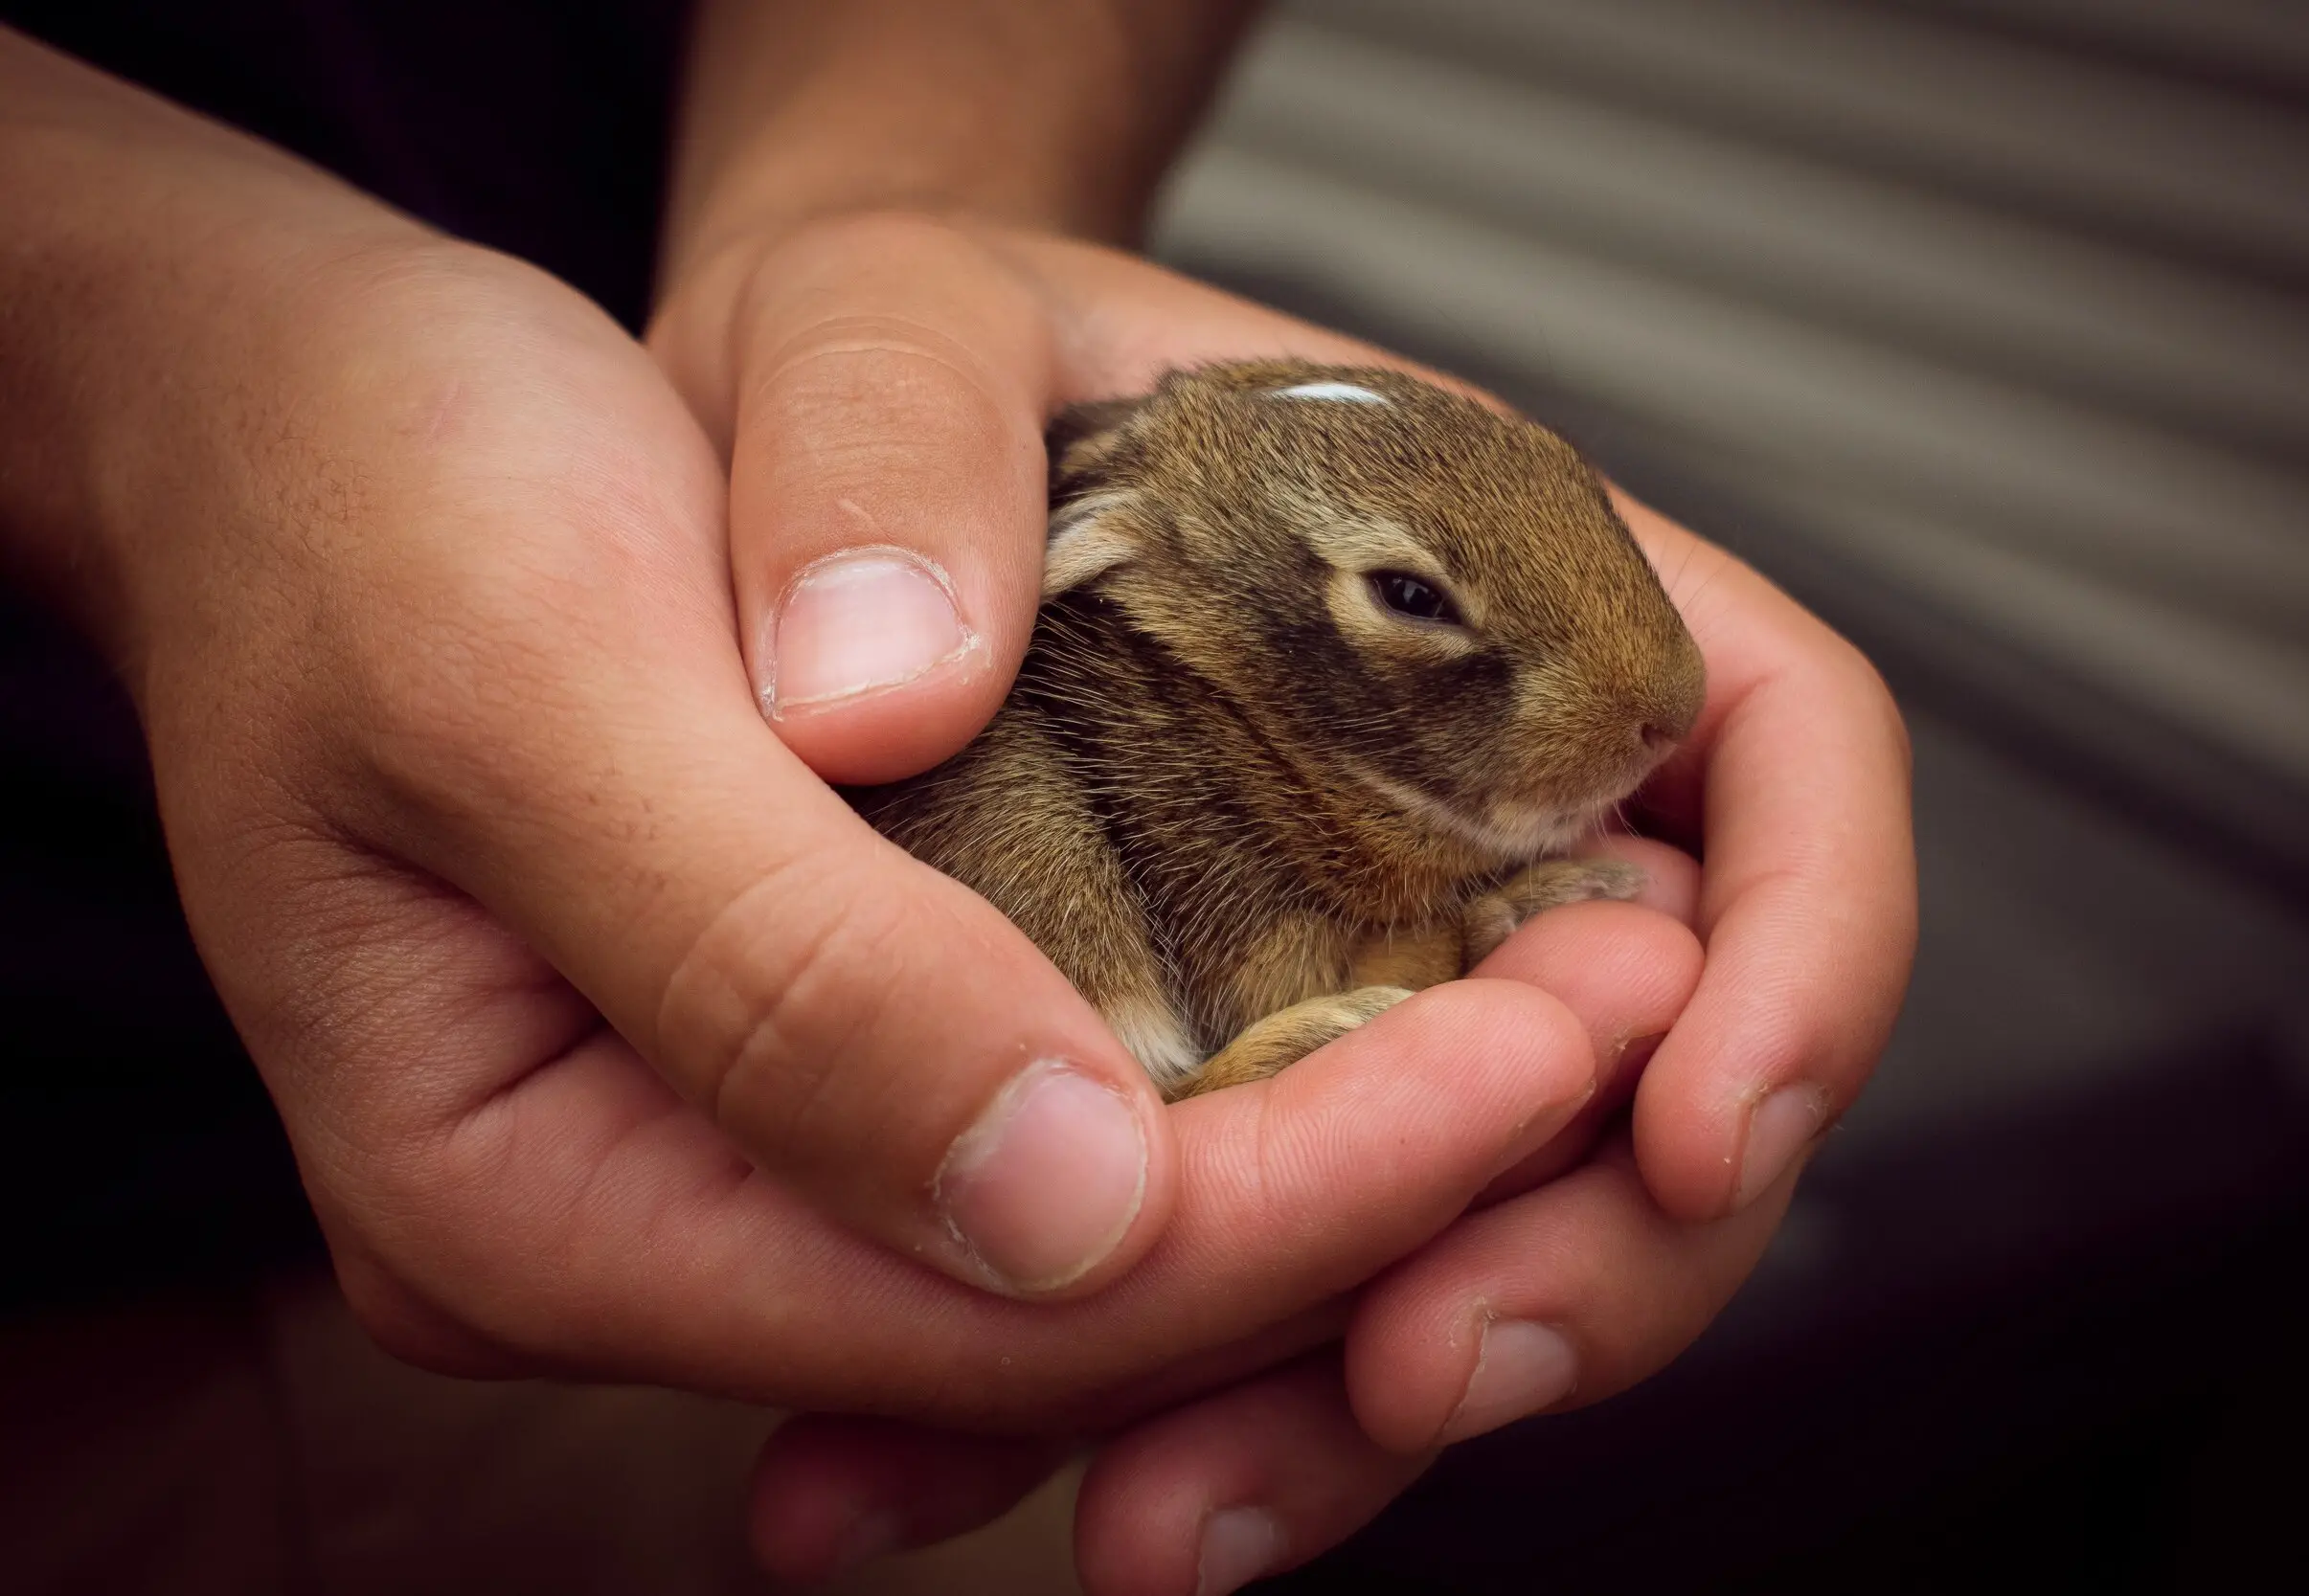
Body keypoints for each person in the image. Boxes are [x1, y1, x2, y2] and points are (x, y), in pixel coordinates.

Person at [0, 1, 1916, 1589]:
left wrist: (888, 226)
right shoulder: (1159, 711)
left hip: (822, 1296)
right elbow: (1242, 896)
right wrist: (130, 372)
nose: (1639, 709)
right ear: (1138, 569)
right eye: (1409, 604)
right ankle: (1172, 1061)